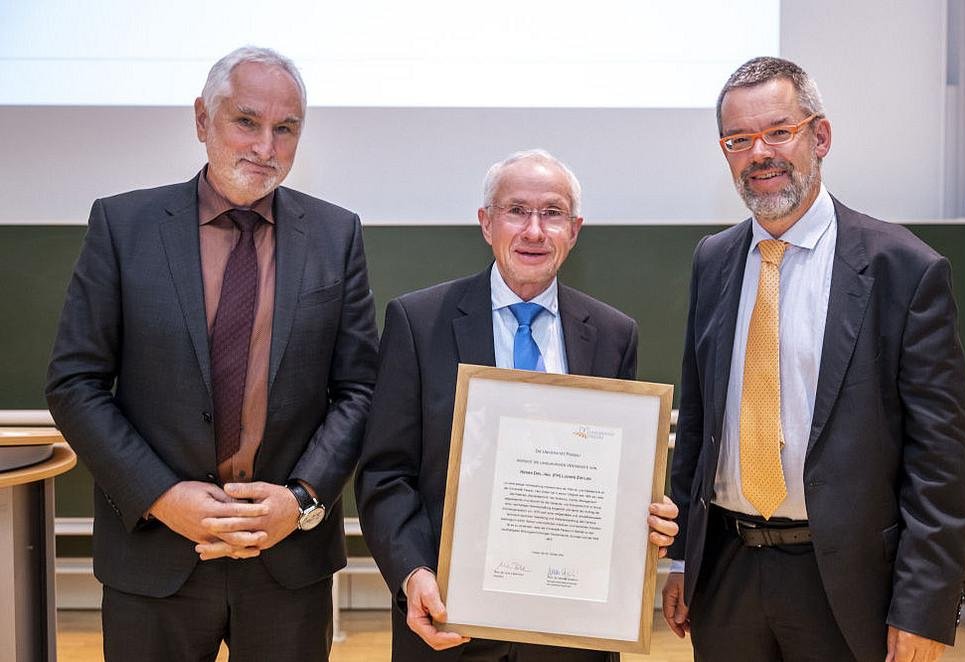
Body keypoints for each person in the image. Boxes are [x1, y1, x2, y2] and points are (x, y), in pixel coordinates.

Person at [45, 46, 378, 661]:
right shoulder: (124, 227)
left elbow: (359, 391)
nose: (266, 146)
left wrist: (301, 502)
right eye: (246, 121)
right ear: (202, 120)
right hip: (156, 558)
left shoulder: (337, 235)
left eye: (286, 129)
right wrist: (161, 497)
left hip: (287, 559)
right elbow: (76, 383)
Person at [662, 56, 965, 662]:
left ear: (820, 136)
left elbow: (940, 461)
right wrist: (681, 556)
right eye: (738, 140)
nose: (759, 154)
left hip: (848, 585)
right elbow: (698, 427)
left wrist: (924, 606)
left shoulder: (904, 269)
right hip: (726, 572)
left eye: (778, 132)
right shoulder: (714, 260)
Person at [355, 149, 678, 662]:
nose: (534, 230)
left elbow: (617, 481)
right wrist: (414, 573)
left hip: (572, 632)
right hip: (448, 623)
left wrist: (646, 515)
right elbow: (385, 475)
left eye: (552, 213)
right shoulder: (418, 323)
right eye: (516, 211)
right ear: (486, 223)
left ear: (574, 230)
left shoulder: (613, 335)